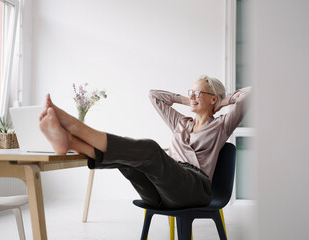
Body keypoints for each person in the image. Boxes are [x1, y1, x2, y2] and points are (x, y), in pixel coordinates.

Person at [39, 75, 251, 209]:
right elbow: (154, 96)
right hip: (161, 193)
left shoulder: (221, 125)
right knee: (128, 160)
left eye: (197, 93)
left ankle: (76, 128)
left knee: (150, 149)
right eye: (191, 92)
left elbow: (250, 95)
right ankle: (71, 142)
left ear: (213, 98)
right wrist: (188, 100)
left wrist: (224, 101)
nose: (192, 96)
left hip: (195, 188)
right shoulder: (180, 121)